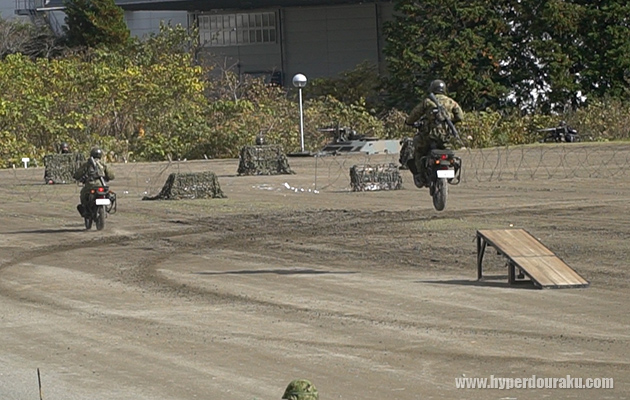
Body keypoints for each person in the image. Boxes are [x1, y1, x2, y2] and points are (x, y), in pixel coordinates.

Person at [405, 79, 464, 188]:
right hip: (445, 138)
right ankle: (452, 168)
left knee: (417, 149)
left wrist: (409, 122)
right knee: (449, 153)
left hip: (428, 137)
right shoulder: (451, 102)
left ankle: (420, 175)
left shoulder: (428, 102)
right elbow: (460, 117)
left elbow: (414, 114)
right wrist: (450, 121)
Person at [73, 147, 115, 217]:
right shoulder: (103, 164)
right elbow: (111, 176)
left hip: (90, 185)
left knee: (83, 194)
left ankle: (86, 210)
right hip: (102, 185)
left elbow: (78, 173)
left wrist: (76, 176)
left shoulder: (87, 164)